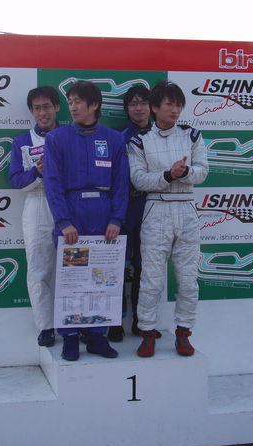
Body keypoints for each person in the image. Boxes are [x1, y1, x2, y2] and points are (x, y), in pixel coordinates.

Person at [44, 80, 129, 361]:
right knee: (72, 277)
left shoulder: (114, 140)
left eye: (78, 101)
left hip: (104, 212)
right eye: (70, 102)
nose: (73, 107)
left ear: (94, 105)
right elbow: (52, 183)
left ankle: (96, 336)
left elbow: (121, 183)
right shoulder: (56, 139)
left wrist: (116, 218)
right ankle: (69, 336)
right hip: (72, 212)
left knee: (102, 278)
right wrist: (63, 221)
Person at [128, 81, 208, 358]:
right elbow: (138, 179)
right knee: (151, 280)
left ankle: (183, 333)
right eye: (169, 104)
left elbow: (203, 172)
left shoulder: (192, 135)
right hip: (155, 209)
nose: (175, 110)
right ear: (154, 107)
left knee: (188, 280)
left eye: (179, 105)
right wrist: (167, 175)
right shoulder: (139, 140)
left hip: (186, 208)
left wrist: (184, 173)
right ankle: (147, 333)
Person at [9, 86, 60, 348]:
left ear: (57, 108)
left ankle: (75, 324)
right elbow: (16, 181)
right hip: (37, 203)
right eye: (37, 108)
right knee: (38, 269)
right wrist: (38, 172)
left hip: (68, 204)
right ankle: (46, 327)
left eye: (47, 106)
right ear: (31, 111)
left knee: (73, 267)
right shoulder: (22, 141)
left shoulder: (70, 136)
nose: (43, 112)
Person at [107, 85, 152, 343]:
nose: (138, 108)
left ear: (151, 106)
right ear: (126, 108)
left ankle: (141, 321)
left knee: (145, 268)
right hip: (123, 208)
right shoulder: (118, 136)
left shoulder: (162, 135)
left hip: (152, 208)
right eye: (133, 103)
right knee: (118, 267)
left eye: (143, 103)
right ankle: (114, 322)